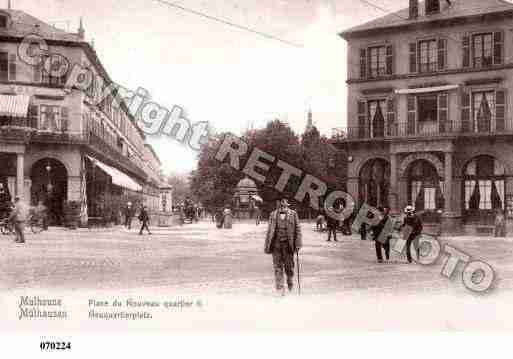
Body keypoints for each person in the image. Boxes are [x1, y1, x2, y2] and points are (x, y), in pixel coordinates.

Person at [264, 198, 302, 295]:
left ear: (287, 204)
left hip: (288, 244)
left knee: (289, 267)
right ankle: (280, 287)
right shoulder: (272, 215)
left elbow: (298, 229)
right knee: (277, 266)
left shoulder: (293, 214)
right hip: (276, 244)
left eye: (284, 202)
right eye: (280, 202)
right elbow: (269, 231)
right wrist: (267, 244)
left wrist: (298, 243)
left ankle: (289, 279)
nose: (282, 205)